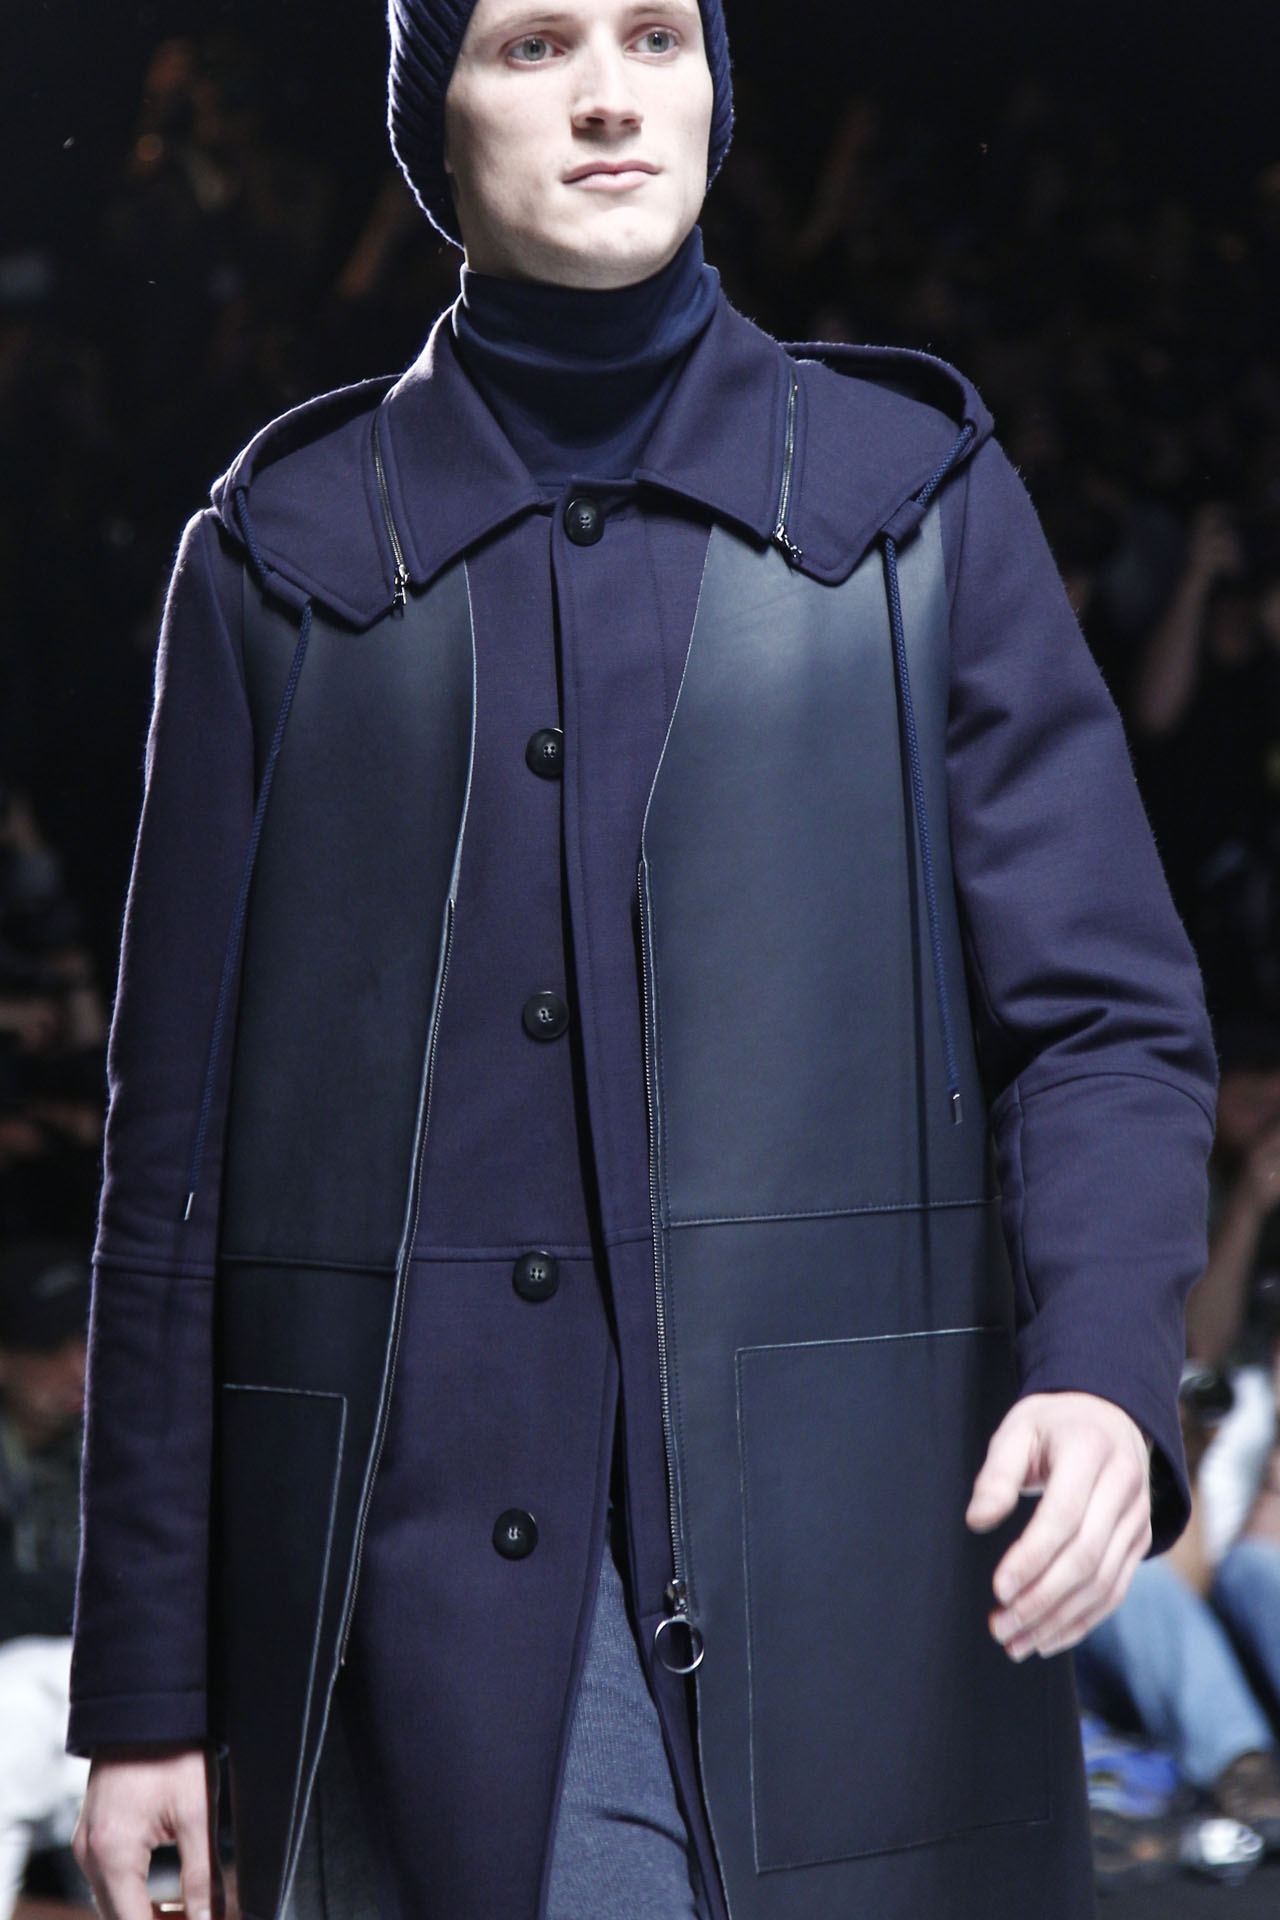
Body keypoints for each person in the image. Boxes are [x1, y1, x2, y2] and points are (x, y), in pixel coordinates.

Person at [68, 3, 1215, 1918]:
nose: (609, 95)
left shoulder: (912, 503)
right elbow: (168, 1173)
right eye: (532, 47)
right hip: (422, 1599)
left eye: (657, 36)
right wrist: (144, 1695)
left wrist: (1104, 1369)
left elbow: (1103, 1017)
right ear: (432, 126)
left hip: (859, 1584)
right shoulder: (280, 559)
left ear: (716, 90)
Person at [0, 1239, 91, 1918]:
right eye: (50, 1349)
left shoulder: (122, 1441)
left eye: (87, 1342)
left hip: (100, 1701)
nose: (78, 1367)